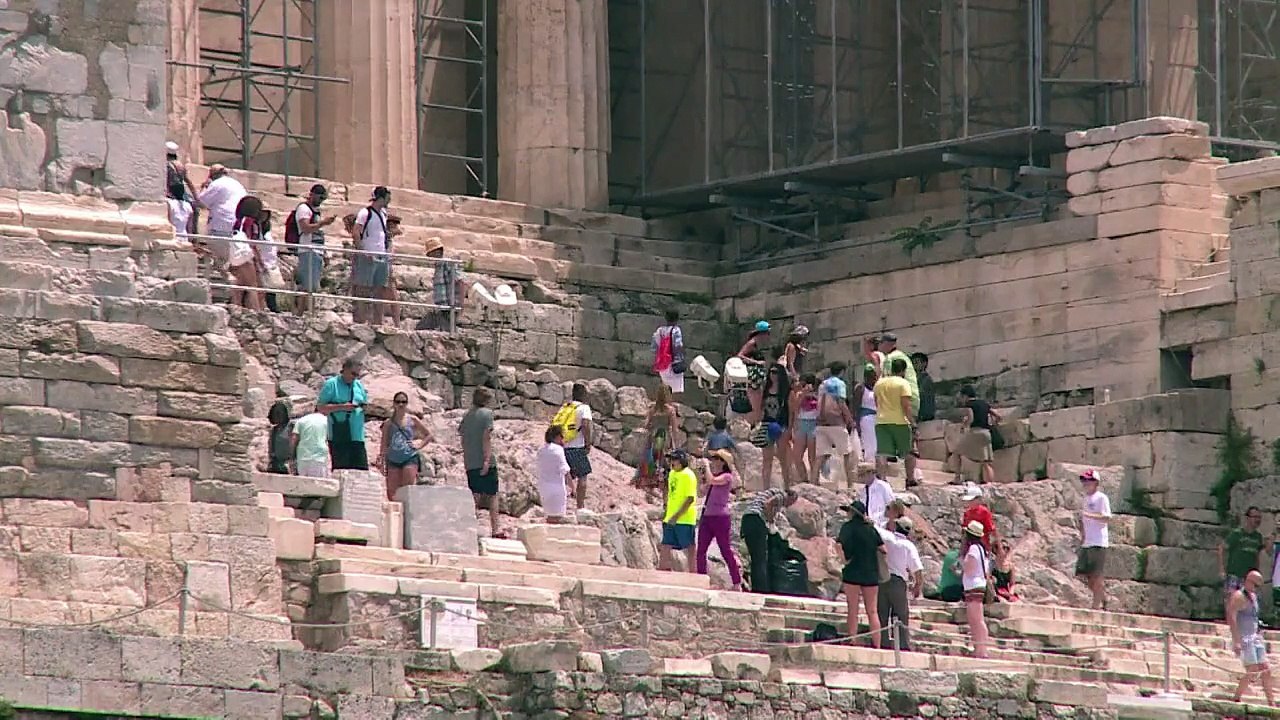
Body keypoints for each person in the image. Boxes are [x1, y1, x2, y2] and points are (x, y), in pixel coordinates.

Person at [837, 500, 885, 648]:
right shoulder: (871, 530)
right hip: (870, 573)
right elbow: (884, 549)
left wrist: (844, 560)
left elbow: (839, 545)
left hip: (852, 571)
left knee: (853, 609)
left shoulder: (847, 528)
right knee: (872, 611)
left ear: (852, 513)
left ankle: (853, 640)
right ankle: (877, 644)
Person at [695, 449, 742, 590]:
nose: (713, 461)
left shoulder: (727, 477)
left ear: (722, 462)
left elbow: (713, 481)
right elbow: (701, 491)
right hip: (707, 516)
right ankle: (702, 580)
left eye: (716, 459)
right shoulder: (713, 477)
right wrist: (700, 477)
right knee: (701, 550)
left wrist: (707, 468)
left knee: (725, 550)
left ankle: (737, 582)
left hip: (720, 518)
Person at [459, 387, 503, 538]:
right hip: (484, 460)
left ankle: (469, 528)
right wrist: (486, 460)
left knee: (474, 496)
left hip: (470, 460)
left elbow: (463, 438)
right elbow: (486, 437)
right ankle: (496, 529)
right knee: (492, 495)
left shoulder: (467, 416)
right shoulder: (487, 414)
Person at [740, 487, 798, 594]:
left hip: (747, 519)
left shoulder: (771, 492)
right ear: (791, 497)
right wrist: (770, 522)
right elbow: (768, 504)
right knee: (761, 557)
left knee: (755, 558)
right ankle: (761, 589)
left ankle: (756, 588)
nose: (789, 505)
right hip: (757, 520)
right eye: (792, 502)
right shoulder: (781, 496)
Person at [1230, 570, 1275, 704]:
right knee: (1252, 670)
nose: (1256, 589)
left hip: (1255, 637)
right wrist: (1236, 641)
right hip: (1245, 638)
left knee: (1266, 670)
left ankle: (1271, 702)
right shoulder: (1238, 596)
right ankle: (1236, 697)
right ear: (1248, 581)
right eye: (1255, 585)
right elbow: (1231, 618)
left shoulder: (1254, 597)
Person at [877, 517, 923, 650]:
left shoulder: (887, 537)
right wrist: (917, 587)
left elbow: (875, 527)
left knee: (882, 614)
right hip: (898, 582)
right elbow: (918, 570)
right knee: (901, 615)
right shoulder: (909, 546)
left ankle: (883, 643)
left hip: (883, 579)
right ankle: (903, 645)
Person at [316, 357, 369, 471]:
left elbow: (364, 401)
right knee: (341, 471)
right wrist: (342, 407)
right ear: (344, 369)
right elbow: (320, 407)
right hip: (339, 435)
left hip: (357, 436)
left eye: (357, 375)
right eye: (353, 373)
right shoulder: (331, 384)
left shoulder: (358, 385)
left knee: (361, 472)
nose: (355, 377)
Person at [290, 184, 336, 313]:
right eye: (320, 198)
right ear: (312, 195)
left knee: (312, 285)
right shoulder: (304, 209)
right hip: (308, 250)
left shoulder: (315, 211)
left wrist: (324, 252)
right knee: (307, 285)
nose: (321, 201)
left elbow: (318, 233)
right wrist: (323, 223)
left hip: (317, 250)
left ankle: (310, 312)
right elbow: (305, 228)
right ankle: (300, 313)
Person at [378, 391, 432, 501]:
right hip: (393, 458)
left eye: (404, 402)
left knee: (408, 489)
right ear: (394, 404)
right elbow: (384, 443)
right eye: (398, 402)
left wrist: (419, 445)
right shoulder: (388, 423)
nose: (401, 405)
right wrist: (382, 460)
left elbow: (429, 435)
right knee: (392, 492)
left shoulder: (412, 420)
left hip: (409, 457)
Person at [351, 186, 392, 325]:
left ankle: (377, 321)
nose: (389, 200)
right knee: (363, 288)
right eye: (387, 197)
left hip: (381, 255)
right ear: (381, 197)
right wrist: (362, 251)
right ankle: (361, 320)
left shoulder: (384, 214)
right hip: (368, 255)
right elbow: (356, 232)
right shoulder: (365, 213)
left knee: (380, 289)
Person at [814, 361, 859, 488]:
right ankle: (850, 486)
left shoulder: (823, 384)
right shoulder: (840, 384)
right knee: (847, 454)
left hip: (821, 423)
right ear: (842, 372)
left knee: (821, 455)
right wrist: (850, 420)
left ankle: (814, 482)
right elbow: (841, 403)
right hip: (836, 423)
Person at [874, 357, 917, 486]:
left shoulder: (879, 383)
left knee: (882, 452)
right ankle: (910, 479)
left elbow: (876, 402)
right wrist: (912, 422)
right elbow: (906, 405)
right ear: (903, 370)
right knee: (909, 451)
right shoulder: (903, 384)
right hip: (900, 422)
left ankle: (881, 479)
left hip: (881, 421)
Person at [634, 384, 678, 500]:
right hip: (664, 438)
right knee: (665, 463)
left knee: (651, 461)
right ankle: (664, 491)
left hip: (653, 438)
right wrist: (675, 445)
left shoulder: (653, 409)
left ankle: (649, 487)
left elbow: (647, 425)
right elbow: (674, 429)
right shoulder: (670, 410)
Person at [196, 164, 247, 265]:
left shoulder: (216, 184)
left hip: (221, 226)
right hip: (238, 227)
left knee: (220, 259)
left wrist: (204, 187)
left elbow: (201, 202)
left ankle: (228, 276)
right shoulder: (236, 184)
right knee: (234, 260)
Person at [1076, 469, 1112, 610]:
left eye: (1088, 481)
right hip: (1087, 542)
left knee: (1096, 576)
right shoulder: (1085, 499)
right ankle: (1104, 597)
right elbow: (1084, 520)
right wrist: (1082, 536)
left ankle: (1095, 606)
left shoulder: (1101, 498)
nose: (1085, 483)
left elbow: (1107, 517)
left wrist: (1089, 515)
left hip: (1098, 542)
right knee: (1087, 577)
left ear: (1096, 482)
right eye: (1084, 481)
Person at [1222, 506, 1267, 613]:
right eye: (1255, 517)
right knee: (1231, 599)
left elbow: (1258, 555)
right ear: (1247, 518)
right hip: (1234, 573)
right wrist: (1221, 569)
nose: (1257, 520)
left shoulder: (1258, 537)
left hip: (1249, 578)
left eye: (1259, 517)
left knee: (1248, 603)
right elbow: (1222, 548)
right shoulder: (1237, 534)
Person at [659, 449, 698, 573]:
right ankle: (663, 569)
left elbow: (690, 498)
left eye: (674, 460)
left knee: (689, 547)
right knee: (666, 544)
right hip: (670, 516)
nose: (671, 462)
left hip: (684, 518)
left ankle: (693, 572)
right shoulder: (672, 474)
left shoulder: (688, 475)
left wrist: (677, 516)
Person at [755, 356, 791, 489]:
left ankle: (787, 486)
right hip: (767, 424)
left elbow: (790, 410)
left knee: (783, 459)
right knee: (767, 459)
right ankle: (765, 487)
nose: (772, 375)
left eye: (775, 372)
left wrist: (789, 428)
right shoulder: (766, 390)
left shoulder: (785, 392)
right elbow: (761, 407)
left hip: (781, 425)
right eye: (771, 372)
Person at [558, 383, 595, 510]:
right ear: (584, 394)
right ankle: (580, 507)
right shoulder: (584, 408)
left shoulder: (566, 407)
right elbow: (585, 425)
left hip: (562, 447)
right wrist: (588, 442)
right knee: (582, 477)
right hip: (577, 447)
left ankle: (559, 506)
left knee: (564, 478)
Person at [960, 520, 992, 658]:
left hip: (973, 586)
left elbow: (969, 568)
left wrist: (962, 563)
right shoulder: (981, 549)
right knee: (976, 619)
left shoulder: (973, 549)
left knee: (977, 619)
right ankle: (979, 648)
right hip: (977, 585)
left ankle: (981, 649)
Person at [418, 236, 465, 331]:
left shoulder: (448, 264)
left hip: (449, 306)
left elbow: (460, 282)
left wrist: (461, 304)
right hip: (441, 308)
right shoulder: (438, 266)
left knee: (447, 331)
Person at [227, 195, 265, 310]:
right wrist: (258, 260)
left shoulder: (238, 221)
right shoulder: (249, 222)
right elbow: (250, 241)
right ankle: (257, 312)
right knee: (253, 286)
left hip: (235, 254)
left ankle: (236, 309)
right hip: (245, 254)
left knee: (239, 285)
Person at [957, 385, 1000, 484]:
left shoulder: (969, 405)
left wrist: (964, 425)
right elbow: (998, 416)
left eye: (962, 397)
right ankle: (991, 483)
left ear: (965, 396)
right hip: (986, 433)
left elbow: (971, 418)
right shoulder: (984, 403)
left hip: (975, 432)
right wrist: (994, 424)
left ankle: (957, 478)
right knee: (986, 463)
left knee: (957, 452)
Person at [535, 425, 573, 523]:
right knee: (558, 517)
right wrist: (572, 487)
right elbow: (565, 470)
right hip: (557, 488)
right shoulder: (558, 450)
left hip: (544, 488)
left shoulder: (541, 450)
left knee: (549, 517)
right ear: (557, 436)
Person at [878, 333, 919, 420]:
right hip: (913, 403)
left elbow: (888, 383)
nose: (879, 346)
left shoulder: (889, 359)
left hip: (902, 403)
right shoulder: (903, 356)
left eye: (880, 343)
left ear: (887, 344)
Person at [737, 321, 771, 422]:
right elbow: (740, 355)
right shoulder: (752, 343)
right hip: (753, 377)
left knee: (759, 406)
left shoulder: (757, 344)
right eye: (767, 333)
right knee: (756, 407)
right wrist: (757, 362)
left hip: (758, 377)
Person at [790, 373, 819, 486]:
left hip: (814, 424)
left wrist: (814, 396)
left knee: (812, 456)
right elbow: (795, 408)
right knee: (797, 455)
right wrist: (803, 395)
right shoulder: (799, 394)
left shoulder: (818, 394)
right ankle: (803, 478)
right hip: (801, 423)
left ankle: (814, 480)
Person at [652, 310, 686, 394]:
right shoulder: (676, 330)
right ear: (677, 319)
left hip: (663, 363)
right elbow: (678, 346)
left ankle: (664, 403)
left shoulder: (659, 331)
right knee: (675, 389)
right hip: (673, 363)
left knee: (665, 386)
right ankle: (671, 404)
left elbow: (654, 347)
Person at [290, 409, 331, 479]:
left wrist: (291, 456)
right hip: (320, 458)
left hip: (302, 457)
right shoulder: (327, 420)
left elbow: (294, 439)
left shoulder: (301, 420)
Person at [960, 483, 999, 550]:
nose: (969, 502)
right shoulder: (967, 513)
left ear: (978, 499)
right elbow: (964, 532)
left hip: (982, 545)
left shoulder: (984, 512)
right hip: (969, 546)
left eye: (972, 500)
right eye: (969, 501)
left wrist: (999, 548)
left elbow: (991, 530)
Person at [853, 363, 878, 461]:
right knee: (869, 443)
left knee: (877, 444)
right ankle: (870, 463)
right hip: (866, 419)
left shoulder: (877, 387)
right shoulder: (860, 388)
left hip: (877, 418)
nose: (873, 377)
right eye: (870, 375)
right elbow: (856, 406)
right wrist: (856, 422)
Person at [859, 462, 895, 527]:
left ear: (871, 473)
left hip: (882, 524)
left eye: (862, 475)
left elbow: (891, 505)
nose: (861, 478)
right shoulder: (863, 491)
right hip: (868, 525)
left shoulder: (883, 486)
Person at [266, 401, 294, 474]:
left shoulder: (292, 427)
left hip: (289, 464)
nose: (278, 416)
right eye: (276, 414)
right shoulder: (274, 430)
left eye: (279, 413)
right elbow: (271, 447)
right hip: (277, 463)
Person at [910, 352, 936, 423]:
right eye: (913, 363)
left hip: (924, 415)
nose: (914, 365)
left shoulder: (926, 379)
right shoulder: (915, 379)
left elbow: (920, 395)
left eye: (917, 362)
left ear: (924, 364)